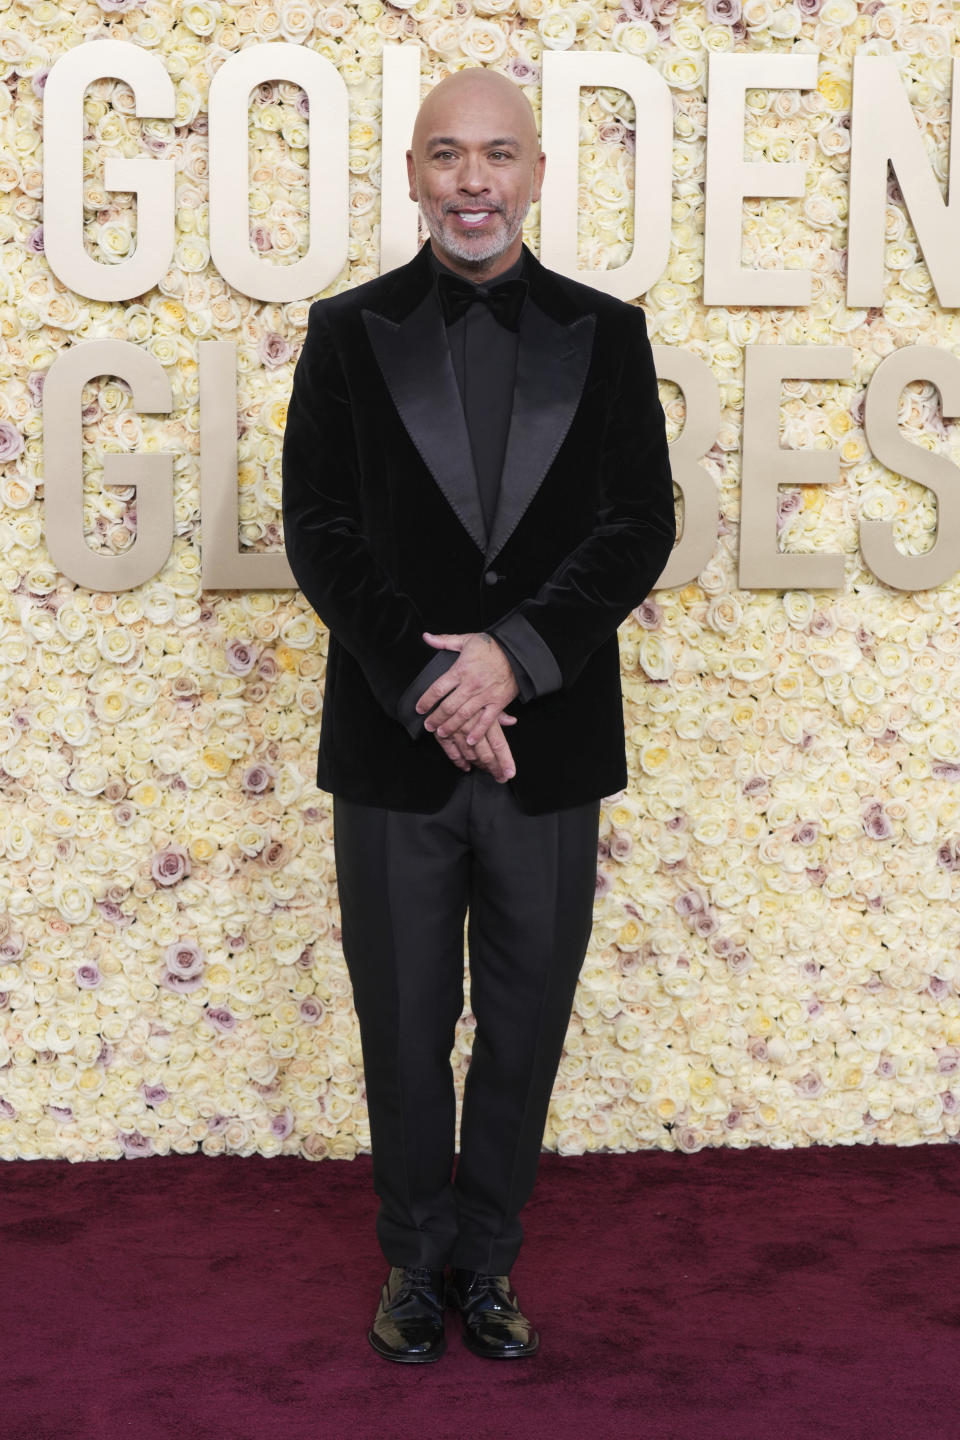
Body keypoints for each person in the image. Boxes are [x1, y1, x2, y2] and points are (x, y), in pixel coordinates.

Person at [281, 66, 675, 1364]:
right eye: (446, 155)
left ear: (538, 176)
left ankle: (489, 1262)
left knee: (524, 1021)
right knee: (399, 1023)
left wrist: (513, 661)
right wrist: (434, 688)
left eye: (497, 155)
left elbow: (638, 528)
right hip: (393, 754)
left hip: (548, 753)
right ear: (411, 176)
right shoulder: (346, 333)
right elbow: (323, 535)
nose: (473, 181)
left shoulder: (609, 334)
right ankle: (413, 1261)